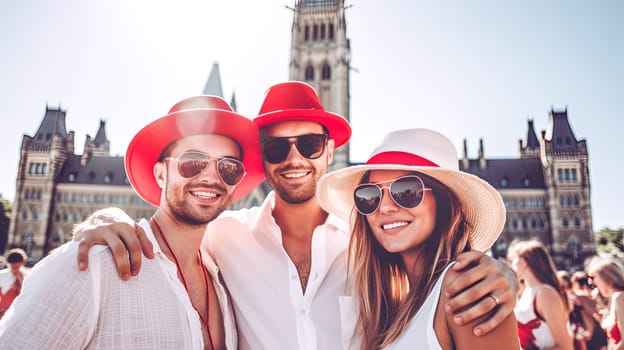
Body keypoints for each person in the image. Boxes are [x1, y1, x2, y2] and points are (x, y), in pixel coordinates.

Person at [73, 81, 518, 349]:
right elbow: (167, 231)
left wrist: (501, 273)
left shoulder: (369, 244)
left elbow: (436, 283)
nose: (294, 159)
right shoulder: (224, 237)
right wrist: (106, 219)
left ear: (329, 152)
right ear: (259, 160)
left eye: (309, 144)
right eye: (275, 147)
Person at [0, 95, 265, 349]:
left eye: (229, 167)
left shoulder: (225, 281)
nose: (211, 177)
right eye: (192, 162)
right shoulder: (92, 264)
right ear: (161, 174)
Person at [315, 128, 519, 349]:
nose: (384, 207)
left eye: (406, 191)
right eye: (370, 196)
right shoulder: (394, 307)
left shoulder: (465, 289)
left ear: (443, 202)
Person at [511, 240, 573, 350]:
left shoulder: (545, 293)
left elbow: (565, 347)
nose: (512, 265)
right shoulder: (527, 291)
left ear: (524, 261)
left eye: (514, 260)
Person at [587, 257, 624, 350]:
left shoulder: (619, 297)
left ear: (606, 278)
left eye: (594, 278)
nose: (593, 284)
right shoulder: (613, 299)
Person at [0, 248, 28, 319]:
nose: (14, 269)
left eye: (16, 267)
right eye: (12, 267)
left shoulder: (28, 276)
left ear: (23, 262)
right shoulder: (2, 275)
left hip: (18, 313)